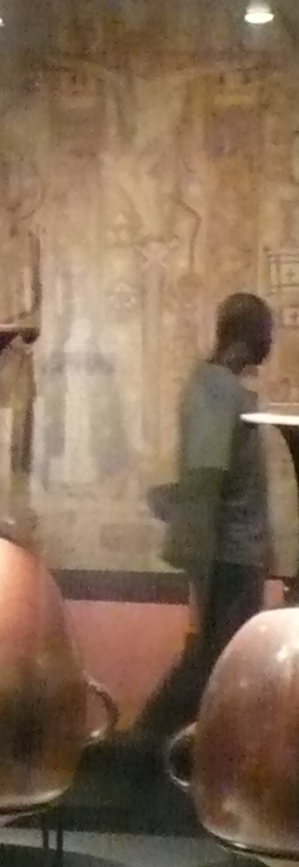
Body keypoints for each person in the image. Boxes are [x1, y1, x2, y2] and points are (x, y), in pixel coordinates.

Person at [143, 292, 277, 744]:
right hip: (228, 560)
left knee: (215, 665)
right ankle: (142, 753)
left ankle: (156, 753)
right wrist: (199, 567)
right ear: (248, 334)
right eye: (266, 332)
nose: (270, 342)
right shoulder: (217, 390)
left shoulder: (222, 390)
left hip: (235, 556)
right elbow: (204, 482)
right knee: (215, 667)